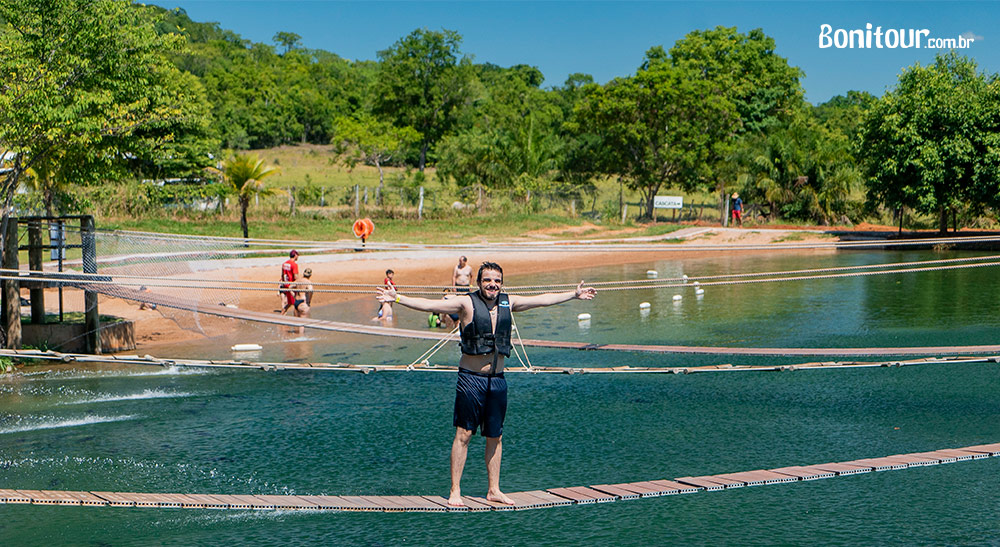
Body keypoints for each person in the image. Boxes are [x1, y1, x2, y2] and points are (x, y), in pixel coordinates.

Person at [377, 261, 596, 507]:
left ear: (502, 283)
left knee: (496, 436)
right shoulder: (466, 303)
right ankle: (455, 490)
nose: (492, 284)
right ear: (478, 282)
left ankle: (494, 490)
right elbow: (430, 304)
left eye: (497, 281)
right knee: (464, 434)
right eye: (487, 280)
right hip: (471, 379)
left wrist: (573, 295)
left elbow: (542, 299)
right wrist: (398, 299)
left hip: (498, 381)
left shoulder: (508, 302)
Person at [290, 268, 314, 333]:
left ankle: (295, 337)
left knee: (296, 322)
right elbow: (311, 290)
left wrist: (294, 296)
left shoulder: (298, 280)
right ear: (310, 275)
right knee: (302, 324)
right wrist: (309, 300)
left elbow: (290, 287)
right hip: (303, 302)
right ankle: (301, 340)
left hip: (296, 302)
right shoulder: (308, 282)